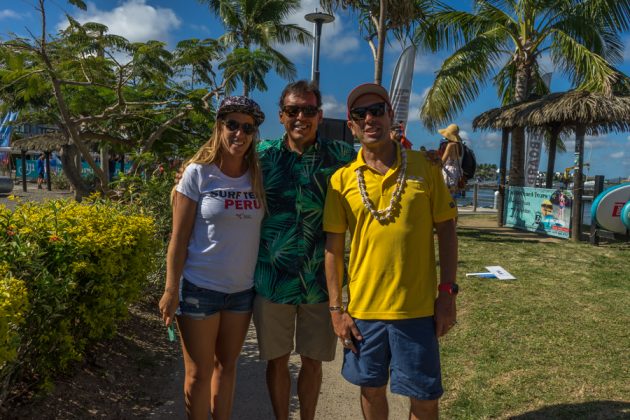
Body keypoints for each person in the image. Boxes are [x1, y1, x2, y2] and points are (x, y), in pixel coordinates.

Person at [324, 83, 459, 420]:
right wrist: (336, 310)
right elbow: (333, 247)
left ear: (391, 117)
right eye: (360, 114)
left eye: (377, 110)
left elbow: (446, 228)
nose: (369, 118)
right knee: (370, 390)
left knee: (425, 398)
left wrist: (447, 293)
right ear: (351, 124)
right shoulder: (341, 180)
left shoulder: (425, 167)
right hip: (364, 311)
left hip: (415, 310)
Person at [253, 80, 356, 420]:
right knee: (277, 359)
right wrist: (184, 170)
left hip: (318, 281)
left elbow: (379, 161)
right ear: (281, 116)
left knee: (313, 361)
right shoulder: (262, 157)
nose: (301, 117)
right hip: (273, 278)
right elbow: (219, 166)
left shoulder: (341, 156)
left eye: (309, 110)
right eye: (293, 110)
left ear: (320, 115)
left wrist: (424, 159)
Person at [159, 96, 266, 420]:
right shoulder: (198, 173)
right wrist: (170, 289)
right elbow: (178, 239)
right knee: (199, 373)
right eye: (232, 124)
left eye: (247, 128)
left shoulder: (256, 175)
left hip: (241, 293)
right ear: (219, 127)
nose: (239, 133)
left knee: (227, 367)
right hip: (199, 290)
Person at [438, 123, 464, 198]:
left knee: (446, 197)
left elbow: (442, 162)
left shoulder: (450, 145)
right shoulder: (461, 146)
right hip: (457, 173)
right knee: (453, 199)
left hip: (449, 173)